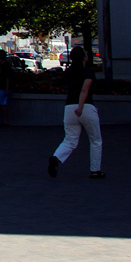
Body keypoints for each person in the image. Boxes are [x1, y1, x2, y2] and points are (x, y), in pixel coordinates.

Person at [48, 46, 104, 180]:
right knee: (95, 140)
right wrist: (81, 107)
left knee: (70, 140)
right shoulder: (88, 72)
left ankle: (56, 158)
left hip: (69, 108)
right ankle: (95, 170)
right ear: (83, 57)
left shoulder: (68, 73)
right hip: (85, 107)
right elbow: (84, 90)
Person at [0, 51, 14, 126]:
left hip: (4, 88)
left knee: (4, 104)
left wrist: (7, 89)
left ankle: (6, 121)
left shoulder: (6, 66)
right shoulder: (1, 65)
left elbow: (8, 78)